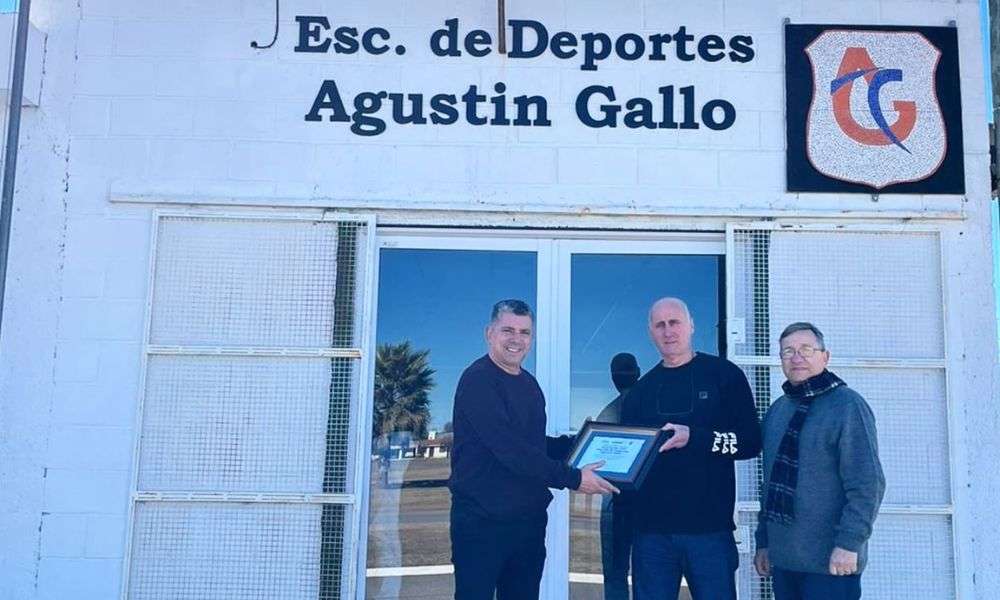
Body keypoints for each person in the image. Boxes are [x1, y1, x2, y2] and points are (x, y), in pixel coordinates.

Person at [448, 299, 618, 600]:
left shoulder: (529, 385)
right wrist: (574, 478)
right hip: (481, 525)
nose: (517, 339)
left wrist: (584, 443)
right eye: (508, 330)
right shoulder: (478, 380)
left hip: (527, 524)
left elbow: (534, 446)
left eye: (525, 332)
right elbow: (509, 450)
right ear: (490, 333)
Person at [622, 297, 761, 600]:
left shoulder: (725, 375)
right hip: (651, 534)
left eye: (675, 322)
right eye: (660, 325)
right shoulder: (640, 393)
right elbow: (631, 459)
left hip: (710, 532)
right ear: (650, 332)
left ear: (691, 326)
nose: (668, 331)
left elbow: (750, 442)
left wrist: (696, 438)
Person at [754, 322, 885, 600]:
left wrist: (849, 543)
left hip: (832, 563)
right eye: (787, 351)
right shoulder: (778, 411)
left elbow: (867, 483)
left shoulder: (848, 406)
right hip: (785, 561)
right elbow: (770, 484)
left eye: (806, 349)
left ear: (825, 357)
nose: (797, 357)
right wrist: (764, 542)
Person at [596, 352, 640, 600]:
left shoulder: (607, 413)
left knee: (617, 572)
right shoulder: (610, 413)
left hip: (619, 503)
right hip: (621, 502)